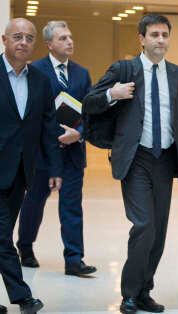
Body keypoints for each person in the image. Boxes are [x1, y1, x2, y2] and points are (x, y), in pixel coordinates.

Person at [83, 14, 178, 314]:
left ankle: (144, 290)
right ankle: (128, 294)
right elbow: (90, 101)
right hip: (135, 158)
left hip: (165, 161)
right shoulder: (125, 69)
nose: (160, 40)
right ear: (141, 38)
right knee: (144, 225)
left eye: (164, 34)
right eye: (154, 35)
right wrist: (114, 93)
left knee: (158, 231)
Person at [17, 20, 96, 276]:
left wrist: (79, 134)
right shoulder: (34, 71)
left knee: (72, 206)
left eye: (70, 37)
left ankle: (74, 259)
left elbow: (90, 112)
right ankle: (25, 246)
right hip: (42, 154)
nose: (69, 41)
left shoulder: (82, 74)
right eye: (62, 38)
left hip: (73, 153)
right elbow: (29, 113)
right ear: (49, 44)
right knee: (34, 202)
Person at [1, 17, 63, 314]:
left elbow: (49, 128)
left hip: (20, 173)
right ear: (4, 40)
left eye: (28, 38)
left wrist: (55, 168)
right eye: (17, 36)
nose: (22, 42)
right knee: (1, 237)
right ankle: (23, 297)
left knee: (1, 235)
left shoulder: (41, 80)